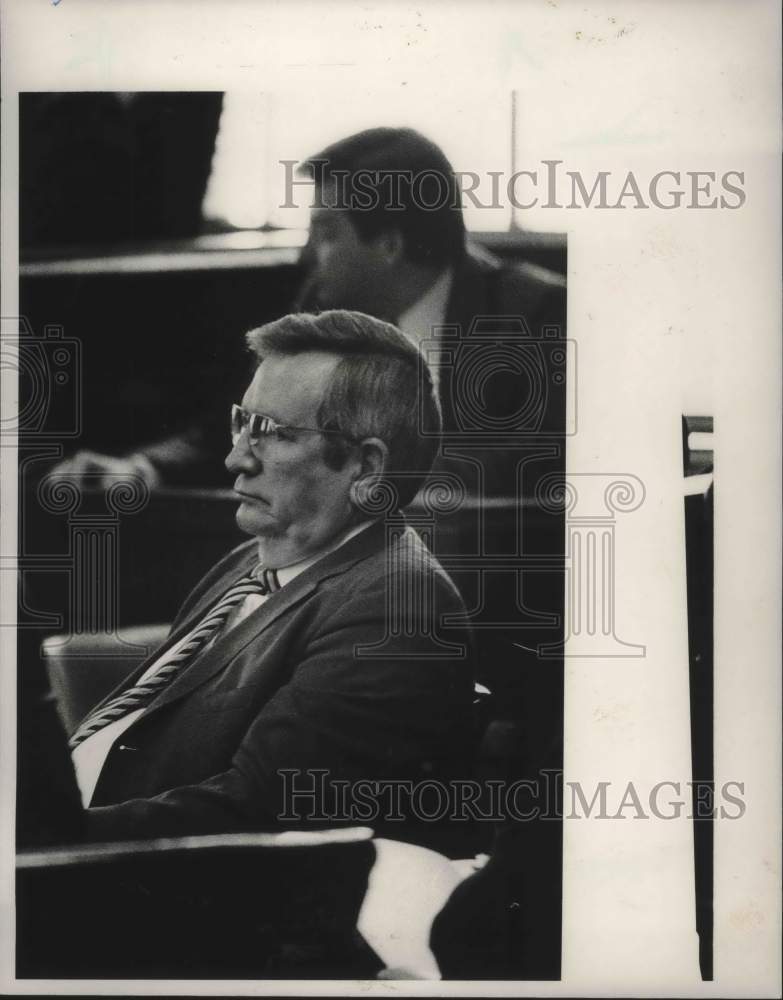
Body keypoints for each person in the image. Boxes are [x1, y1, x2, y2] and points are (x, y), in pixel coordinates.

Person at [63, 309, 474, 845]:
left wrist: (45, 835)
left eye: (271, 433)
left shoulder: (397, 609)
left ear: (366, 467)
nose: (236, 459)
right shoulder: (250, 561)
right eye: (242, 422)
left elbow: (254, 813)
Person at [52, 127, 566, 498]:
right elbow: (241, 429)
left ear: (389, 245)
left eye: (325, 233)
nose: (305, 255)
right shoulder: (319, 304)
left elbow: (546, 462)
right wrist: (142, 468)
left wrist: (376, 473)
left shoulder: (537, 312)